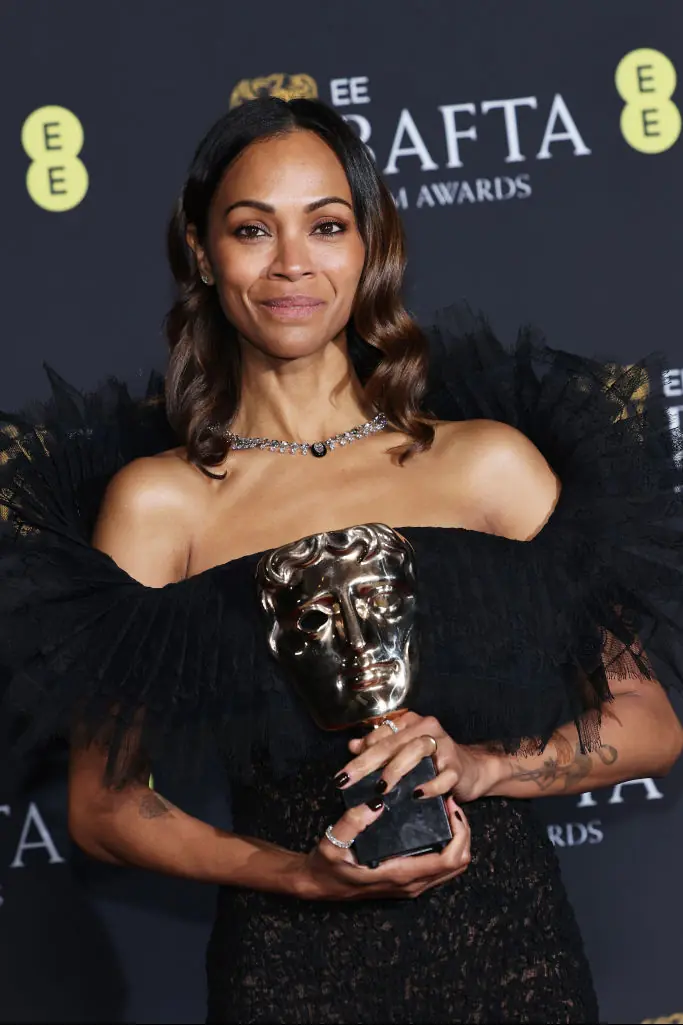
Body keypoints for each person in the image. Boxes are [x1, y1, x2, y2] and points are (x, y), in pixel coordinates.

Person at [1, 97, 682, 1025]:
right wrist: (301, 876)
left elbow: (645, 722)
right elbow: (106, 807)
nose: (292, 263)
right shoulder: (159, 505)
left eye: (325, 225)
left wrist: (482, 766)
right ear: (202, 254)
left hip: (511, 960)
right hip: (288, 973)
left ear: (371, 247)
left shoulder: (487, 464)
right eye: (252, 229)